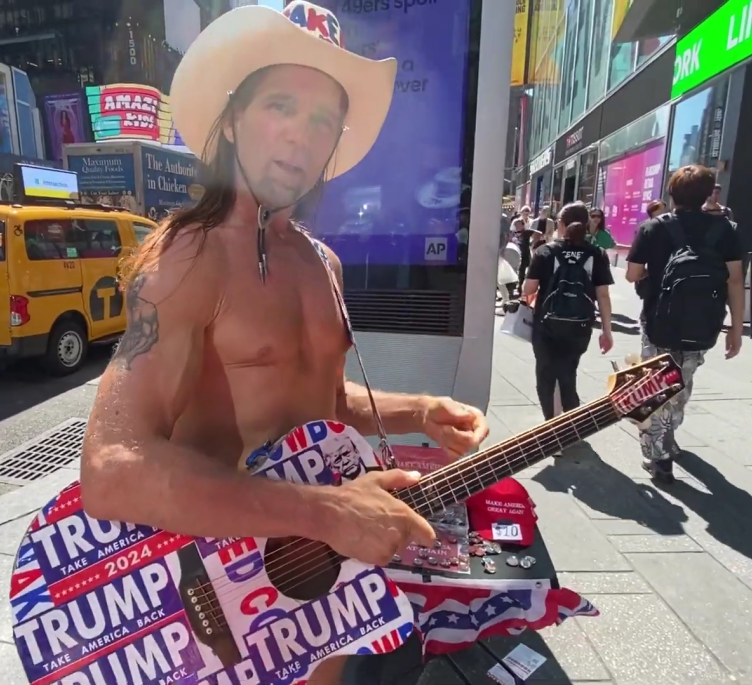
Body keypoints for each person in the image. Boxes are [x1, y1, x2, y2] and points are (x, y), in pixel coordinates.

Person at [78, 4, 489, 684]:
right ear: (232, 119)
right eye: (281, 106)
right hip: (217, 590)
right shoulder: (189, 257)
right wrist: (327, 509)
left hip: (314, 574)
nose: (301, 135)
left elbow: (320, 399)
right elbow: (111, 466)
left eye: (323, 119)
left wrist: (418, 410)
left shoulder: (322, 262)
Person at [626, 165, 744, 484]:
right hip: (703, 324)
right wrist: (736, 328)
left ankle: (659, 457)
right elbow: (735, 280)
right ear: (708, 195)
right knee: (683, 380)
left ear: (671, 193)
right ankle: (670, 434)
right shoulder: (726, 230)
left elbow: (632, 274)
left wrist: (655, 272)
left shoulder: (653, 228)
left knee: (655, 386)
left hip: (658, 322)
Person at [523, 202, 614, 434]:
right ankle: (571, 421)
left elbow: (528, 289)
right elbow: (603, 295)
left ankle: (552, 425)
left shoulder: (545, 251)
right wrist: (607, 331)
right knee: (568, 370)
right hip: (579, 325)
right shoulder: (597, 254)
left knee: (546, 373)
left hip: (546, 324)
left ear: (561, 225)